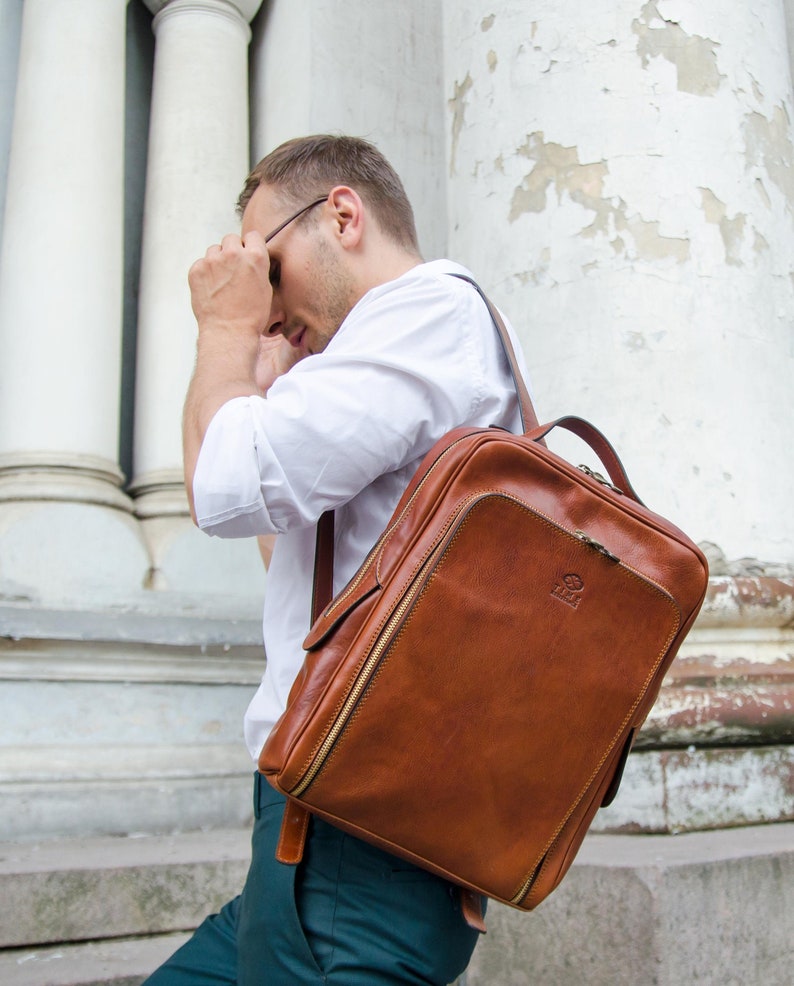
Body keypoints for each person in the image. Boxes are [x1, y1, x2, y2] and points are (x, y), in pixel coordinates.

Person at [145, 135, 529, 986]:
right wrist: (260, 367)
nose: (265, 302)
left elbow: (226, 486)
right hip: (315, 846)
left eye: (267, 266)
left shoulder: (424, 314)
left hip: (357, 858)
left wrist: (225, 330)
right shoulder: (401, 349)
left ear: (342, 216)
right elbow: (287, 550)